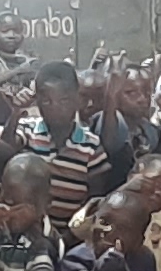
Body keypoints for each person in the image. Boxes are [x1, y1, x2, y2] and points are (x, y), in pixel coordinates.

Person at [14, 60, 110, 228]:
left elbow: (95, 200)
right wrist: (15, 112)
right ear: (37, 101)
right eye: (46, 101)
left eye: (64, 100)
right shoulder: (27, 129)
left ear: (77, 100)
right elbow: (5, 150)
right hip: (28, 232)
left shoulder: (91, 145)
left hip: (70, 235)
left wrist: (69, 238)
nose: (55, 108)